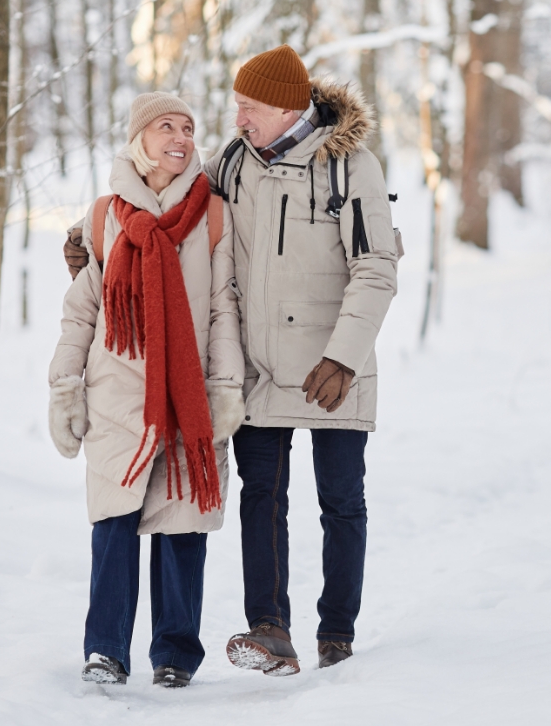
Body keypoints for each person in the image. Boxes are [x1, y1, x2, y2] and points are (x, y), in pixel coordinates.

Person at [63, 46, 399, 674]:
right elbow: (169, 202)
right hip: (258, 367)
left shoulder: (350, 166)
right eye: (237, 106)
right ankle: (270, 630)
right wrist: (92, 243)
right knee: (262, 496)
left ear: (286, 107)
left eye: (249, 107)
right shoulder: (234, 164)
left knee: (340, 502)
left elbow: (377, 266)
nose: (237, 118)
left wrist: (346, 356)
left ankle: (337, 636)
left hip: (332, 366)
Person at [48, 92, 245, 687]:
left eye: (188, 127)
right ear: (140, 139)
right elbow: (82, 309)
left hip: (187, 394)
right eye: (166, 126)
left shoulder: (211, 213)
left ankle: (175, 656)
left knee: (182, 524)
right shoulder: (106, 214)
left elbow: (221, 308)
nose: (181, 137)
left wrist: (226, 384)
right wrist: (65, 385)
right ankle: (106, 649)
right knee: (113, 521)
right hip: (118, 391)